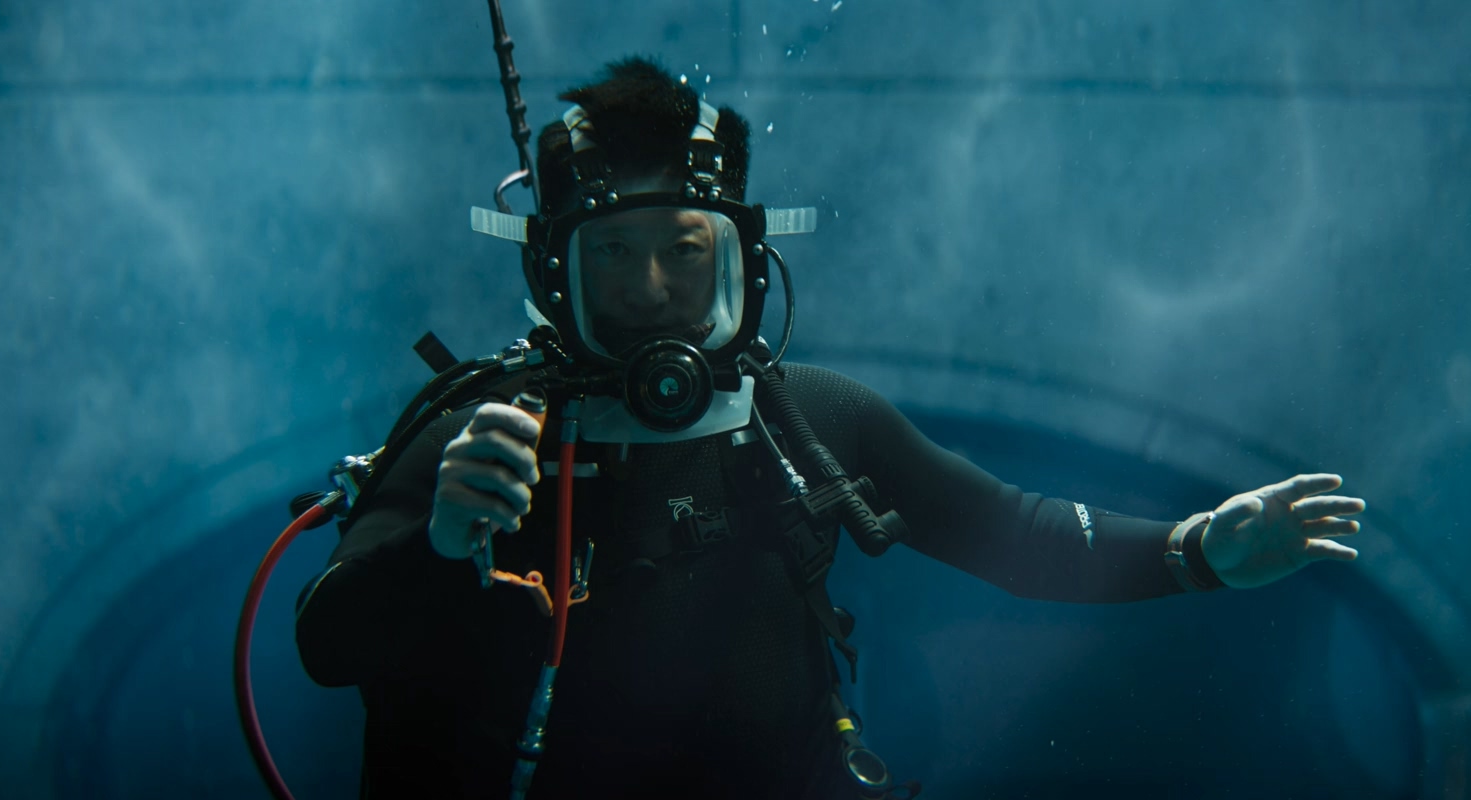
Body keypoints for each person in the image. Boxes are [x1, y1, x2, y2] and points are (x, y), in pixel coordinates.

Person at [293, 57, 1366, 799]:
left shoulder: (808, 417)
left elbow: (1014, 533)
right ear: (551, 273)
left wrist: (1196, 550)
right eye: (610, 255)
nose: (650, 290)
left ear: (746, 262)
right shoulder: (487, 437)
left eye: (684, 251)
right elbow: (326, 646)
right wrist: (441, 540)